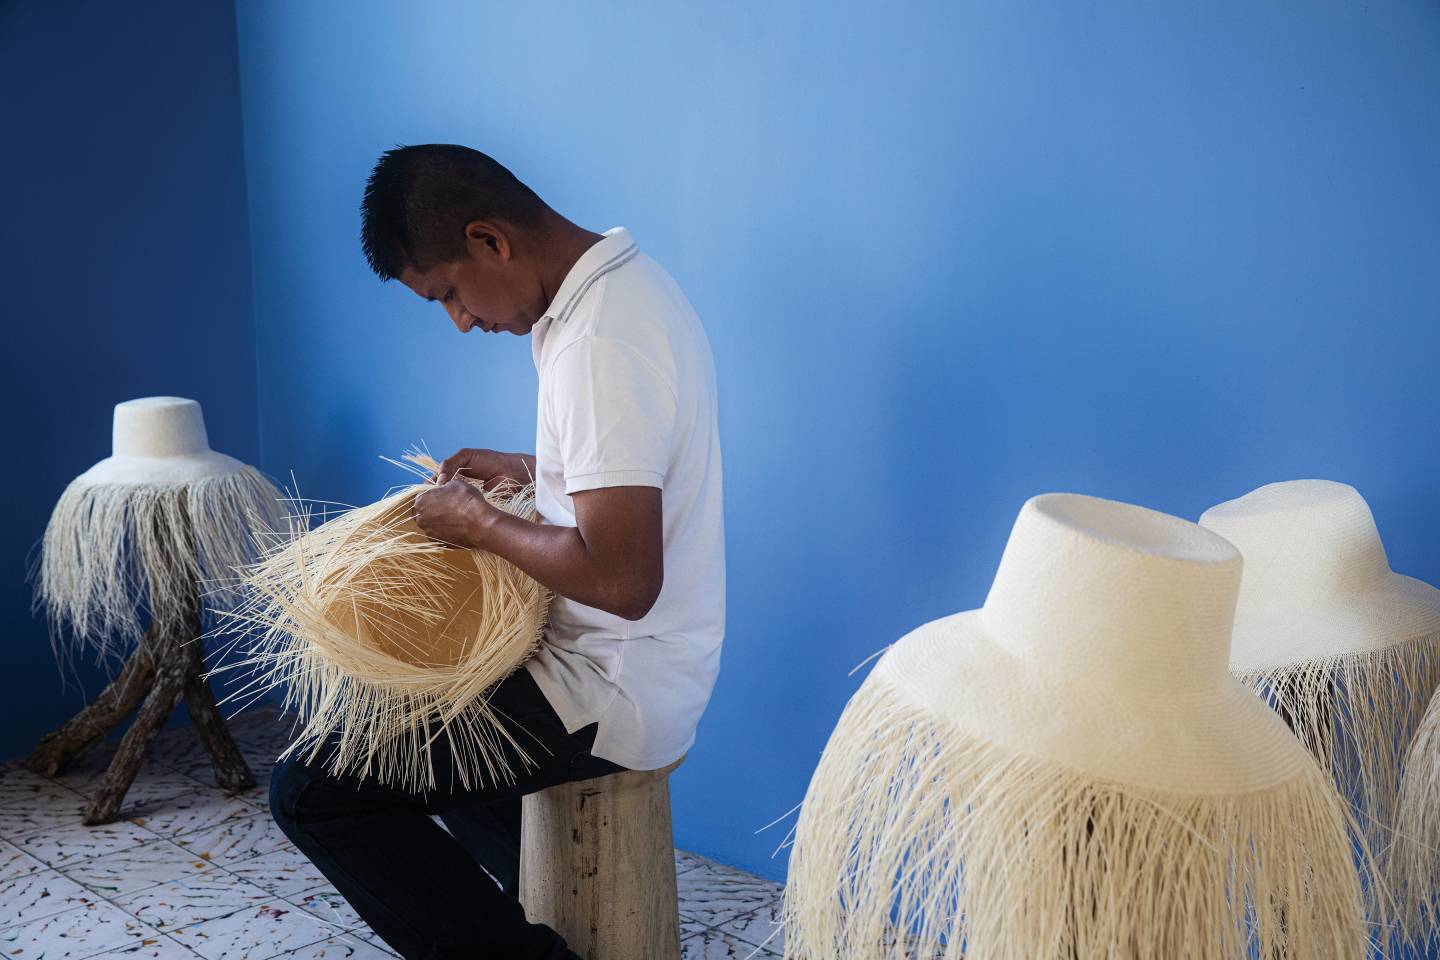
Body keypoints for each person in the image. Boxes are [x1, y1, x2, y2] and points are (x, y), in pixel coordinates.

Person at [268, 144, 726, 960]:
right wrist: (531, 469)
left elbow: (623, 580)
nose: (462, 320)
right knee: (408, 701)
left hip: (611, 686)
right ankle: (530, 898)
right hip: (624, 661)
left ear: (490, 240)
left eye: (448, 293)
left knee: (311, 792)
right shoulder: (619, 290)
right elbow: (632, 465)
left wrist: (479, 523)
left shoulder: (598, 342)